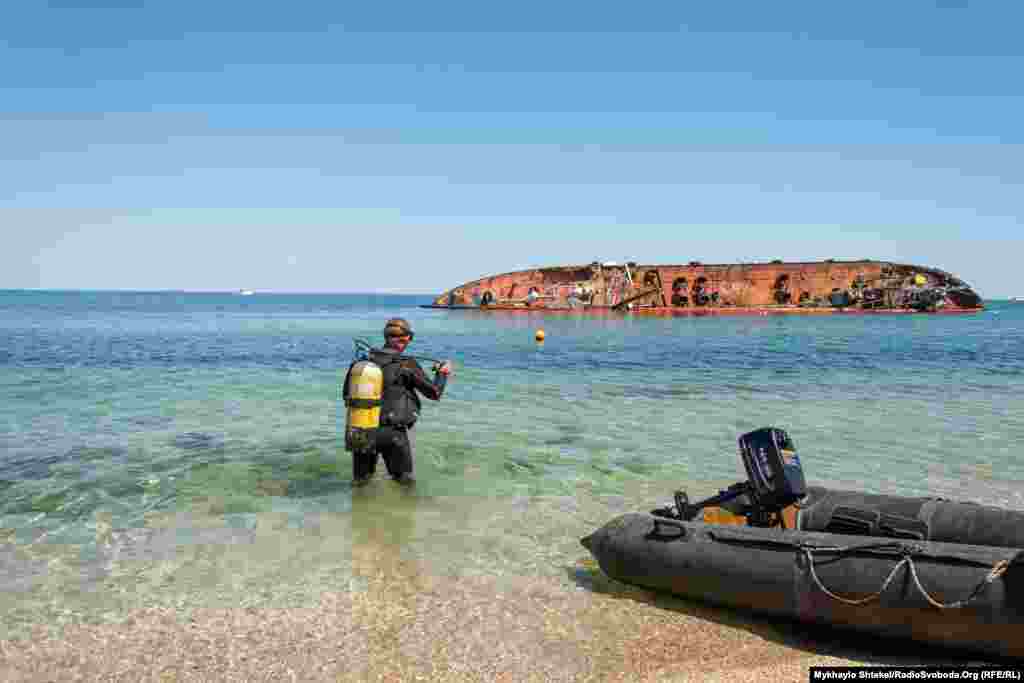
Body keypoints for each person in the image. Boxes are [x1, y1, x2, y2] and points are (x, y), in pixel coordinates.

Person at [343, 318, 452, 487]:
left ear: (386, 336)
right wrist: (442, 373)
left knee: (360, 484)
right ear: (405, 339)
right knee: (404, 484)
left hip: (361, 429)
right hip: (392, 432)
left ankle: (356, 511)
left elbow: (346, 396)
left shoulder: (362, 363)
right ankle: (407, 512)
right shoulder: (406, 364)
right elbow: (434, 393)